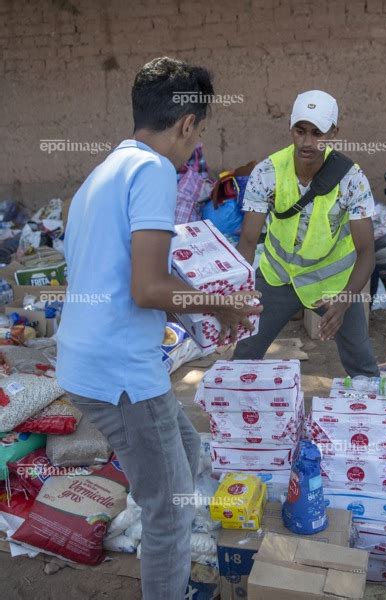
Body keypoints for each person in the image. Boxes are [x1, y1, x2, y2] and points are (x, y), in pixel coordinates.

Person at [56, 57, 262, 600]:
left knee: (187, 452)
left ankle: (173, 582)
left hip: (87, 361)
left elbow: (128, 276)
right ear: (187, 125)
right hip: (121, 372)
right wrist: (217, 304)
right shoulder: (153, 171)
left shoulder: (104, 171)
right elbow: (146, 289)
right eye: (198, 133)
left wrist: (193, 306)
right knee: (169, 511)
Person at [233, 90, 380, 378]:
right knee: (244, 354)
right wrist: (238, 293)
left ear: (334, 133)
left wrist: (345, 300)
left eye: (318, 133)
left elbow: (366, 253)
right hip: (278, 276)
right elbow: (248, 241)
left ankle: (374, 416)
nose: (308, 142)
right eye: (301, 131)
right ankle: (234, 416)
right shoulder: (267, 172)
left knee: (361, 364)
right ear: (291, 129)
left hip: (332, 283)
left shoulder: (352, 180)